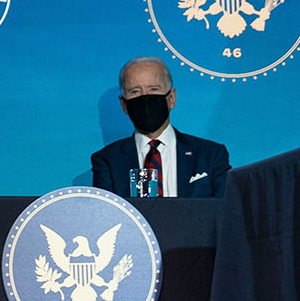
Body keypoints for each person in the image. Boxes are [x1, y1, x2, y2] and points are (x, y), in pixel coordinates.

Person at [89, 56, 230, 199]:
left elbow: (226, 213)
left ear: (171, 98)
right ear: (124, 104)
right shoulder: (107, 161)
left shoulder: (211, 155)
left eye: (153, 89)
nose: (145, 98)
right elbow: (107, 217)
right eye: (135, 92)